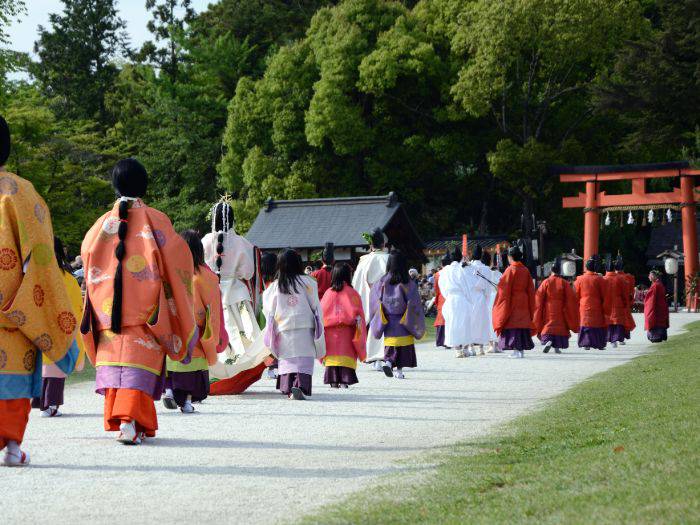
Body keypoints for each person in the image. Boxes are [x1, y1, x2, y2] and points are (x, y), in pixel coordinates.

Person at [81, 158, 196, 445]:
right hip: (147, 316)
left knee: (118, 369)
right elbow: (179, 261)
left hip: (108, 316)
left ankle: (128, 423)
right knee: (135, 370)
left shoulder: (99, 226)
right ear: (143, 185)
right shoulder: (157, 221)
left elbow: (87, 258)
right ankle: (130, 422)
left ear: (114, 185)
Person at [0, 116, 79, 466]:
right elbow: (41, 258)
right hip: (12, 312)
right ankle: (13, 449)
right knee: (10, 387)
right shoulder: (19, 192)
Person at [204, 199, 269, 395]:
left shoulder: (205, 242)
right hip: (237, 295)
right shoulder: (243, 243)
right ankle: (237, 375)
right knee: (245, 338)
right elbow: (248, 273)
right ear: (232, 219)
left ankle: (214, 373)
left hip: (210, 294)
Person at [162, 231, 224, 413]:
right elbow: (212, 309)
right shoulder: (208, 277)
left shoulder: (169, 272)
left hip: (173, 325)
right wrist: (212, 334)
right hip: (196, 328)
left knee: (172, 360)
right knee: (192, 366)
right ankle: (187, 403)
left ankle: (169, 391)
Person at [32, 237, 87, 417]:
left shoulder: (37, 275)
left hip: (40, 327)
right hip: (61, 328)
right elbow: (76, 306)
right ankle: (51, 404)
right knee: (57, 366)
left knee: (43, 365)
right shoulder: (65, 278)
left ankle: (40, 400)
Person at [262, 249, 325, 399]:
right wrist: (318, 323)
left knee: (287, 358)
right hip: (305, 326)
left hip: (284, 326)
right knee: (304, 358)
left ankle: (289, 387)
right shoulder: (308, 282)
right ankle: (300, 386)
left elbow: (269, 308)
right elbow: (315, 305)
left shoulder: (276, 285)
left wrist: (271, 325)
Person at [369, 250, 426, 378]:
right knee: (403, 348)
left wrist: (380, 311)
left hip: (388, 321)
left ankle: (388, 363)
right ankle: (399, 372)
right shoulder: (407, 283)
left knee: (391, 347)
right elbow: (414, 303)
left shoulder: (382, 282)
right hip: (405, 320)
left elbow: (375, 300)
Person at [320, 263, 367, 388]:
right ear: (348, 276)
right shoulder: (352, 293)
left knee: (332, 357)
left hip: (330, 334)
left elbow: (320, 315)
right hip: (347, 333)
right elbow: (360, 316)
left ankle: (333, 381)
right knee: (346, 356)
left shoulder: (328, 293)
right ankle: (345, 381)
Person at [352, 227, 390, 369]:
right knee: (386, 327)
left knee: (374, 326)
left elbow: (357, 282)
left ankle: (375, 358)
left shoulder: (365, 260)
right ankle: (384, 357)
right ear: (384, 244)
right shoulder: (390, 259)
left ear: (371, 245)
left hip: (370, 296)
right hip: (388, 297)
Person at [492, 246, 536, 358]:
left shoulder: (510, 270)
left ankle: (516, 351)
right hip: (524, 300)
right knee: (522, 325)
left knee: (513, 325)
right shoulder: (525, 270)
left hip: (513, 301)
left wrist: (499, 289)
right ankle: (521, 351)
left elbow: (504, 288)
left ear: (510, 257)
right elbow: (531, 289)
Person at [534, 257, 579, 354]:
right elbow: (571, 298)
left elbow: (539, 297)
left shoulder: (545, 282)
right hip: (561, 308)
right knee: (560, 326)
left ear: (551, 270)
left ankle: (548, 341)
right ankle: (557, 347)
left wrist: (538, 309)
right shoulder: (564, 283)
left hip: (548, 307)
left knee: (548, 324)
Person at [441, 246, 474, 357]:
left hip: (450, 298)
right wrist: (469, 300)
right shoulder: (462, 269)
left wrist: (447, 296)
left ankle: (457, 349)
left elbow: (442, 286)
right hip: (461, 298)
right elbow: (467, 286)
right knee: (464, 323)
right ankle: (465, 348)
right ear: (460, 257)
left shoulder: (445, 270)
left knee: (452, 323)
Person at [574, 257, 609, 351]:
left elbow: (576, 294)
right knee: (597, 323)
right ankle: (599, 343)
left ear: (586, 267)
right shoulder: (600, 279)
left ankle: (586, 343)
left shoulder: (580, 279)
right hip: (597, 304)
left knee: (585, 323)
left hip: (584, 304)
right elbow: (605, 294)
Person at [468, 245, 495, 356]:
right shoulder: (486, 269)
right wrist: (486, 299)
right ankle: (481, 348)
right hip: (481, 297)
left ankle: (470, 347)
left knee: (470, 322)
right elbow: (488, 288)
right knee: (482, 323)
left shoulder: (468, 267)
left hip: (470, 297)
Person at [604, 257, 633, 348]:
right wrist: (626, 302)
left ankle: (610, 339)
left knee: (609, 321)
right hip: (618, 302)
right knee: (618, 322)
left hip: (607, 302)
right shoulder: (622, 278)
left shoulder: (603, 279)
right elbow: (626, 293)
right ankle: (617, 339)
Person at [259, 251, 280, 379]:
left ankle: (267, 367)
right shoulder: (277, 283)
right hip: (275, 316)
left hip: (261, 315)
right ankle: (273, 367)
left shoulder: (259, 282)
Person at [487, 251, 505, 352]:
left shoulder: (486, 273)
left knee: (490, 320)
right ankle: (497, 344)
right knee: (497, 319)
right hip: (497, 298)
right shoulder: (500, 274)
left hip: (489, 298)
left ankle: (491, 345)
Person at [615, 255, 636, 342]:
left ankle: (614, 338)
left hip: (614, 301)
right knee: (625, 319)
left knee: (615, 320)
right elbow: (632, 291)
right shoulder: (629, 277)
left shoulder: (612, 277)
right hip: (626, 301)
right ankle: (623, 337)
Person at [645, 270, 669, 343]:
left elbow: (651, 300)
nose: (649, 277)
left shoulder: (655, 285)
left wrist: (648, 308)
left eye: (650, 275)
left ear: (654, 276)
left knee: (654, 321)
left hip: (656, 308)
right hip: (661, 307)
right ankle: (661, 336)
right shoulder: (659, 284)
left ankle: (655, 337)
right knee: (659, 321)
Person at [433, 253, 451, 348]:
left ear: (441, 263)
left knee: (441, 318)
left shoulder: (437, 274)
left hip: (441, 297)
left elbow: (436, 289)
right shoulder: (453, 272)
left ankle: (441, 340)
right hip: (451, 297)